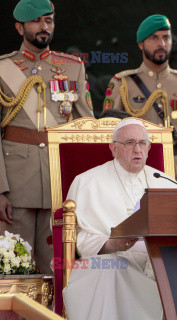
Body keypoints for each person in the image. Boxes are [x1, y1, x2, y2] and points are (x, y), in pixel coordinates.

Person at [0, 0, 93, 273]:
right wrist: (0, 190)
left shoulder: (73, 67)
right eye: (37, 21)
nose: (44, 27)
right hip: (15, 186)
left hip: (60, 183)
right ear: (20, 27)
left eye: (49, 20)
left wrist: (87, 187)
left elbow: (87, 129)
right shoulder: (3, 69)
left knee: (58, 271)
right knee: (13, 268)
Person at [62, 118, 177, 320]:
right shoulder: (87, 182)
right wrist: (110, 244)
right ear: (114, 148)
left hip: (157, 260)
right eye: (129, 143)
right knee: (112, 268)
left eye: (142, 143)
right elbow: (76, 234)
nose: (137, 149)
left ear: (149, 148)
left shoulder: (165, 182)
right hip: (109, 260)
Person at [104, 14, 177, 189]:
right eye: (154, 38)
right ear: (141, 44)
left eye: (166, 38)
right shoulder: (122, 84)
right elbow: (108, 138)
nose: (161, 44)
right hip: (133, 178)